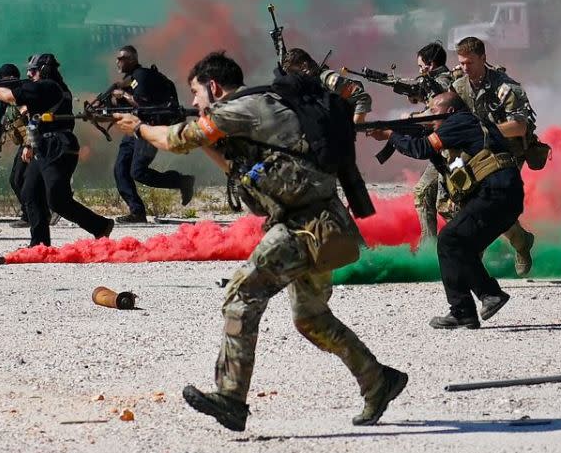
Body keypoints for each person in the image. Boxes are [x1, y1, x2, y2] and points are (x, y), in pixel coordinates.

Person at [113, 51, 407, 431]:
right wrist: (200, 137)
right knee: (311, 318)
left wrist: (138, 127)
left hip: (305, 226)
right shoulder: (260, 106)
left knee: (240, 296)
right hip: (322, 223)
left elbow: (174, 139)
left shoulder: (241, 108)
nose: (196, 103)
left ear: (214, 86)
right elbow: (236, 167)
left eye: (196, 93)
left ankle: (231, 397)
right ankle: (378, 380)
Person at [369, 92, 521, 328]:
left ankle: (480, 300)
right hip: (506, 196)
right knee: (457, 245)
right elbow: (438, 155)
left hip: (495, 194)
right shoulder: (473, 123)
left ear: (448, 111)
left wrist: (391, 135)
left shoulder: (459, 122)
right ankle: (471, 307)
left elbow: (421, 149)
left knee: (450, 240)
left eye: (432, 111)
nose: (429, 116)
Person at [0, 54, 113, 247]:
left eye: (34, 70)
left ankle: (100, 226)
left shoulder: (49, 86)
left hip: (58, 145)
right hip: (44, 146)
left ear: (45, 70)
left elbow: (10, 96)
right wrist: (29, 144)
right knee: (29, 191)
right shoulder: (47, 88)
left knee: (57, 200)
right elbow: (33, 118)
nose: (29, 73)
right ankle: (39, 243)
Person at [451, 37, 537, 276]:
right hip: (474, 152)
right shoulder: (459, 88)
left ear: (483, 59)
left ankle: (520, 243)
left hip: (506, 152)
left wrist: (484, 130)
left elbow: (519, 126)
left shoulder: (506, 88)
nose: (464, 68)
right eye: (461, 63)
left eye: (469, 62)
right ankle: (475, 257)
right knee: (465, 203)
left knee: (493, 206)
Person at [111, 45, 195, 223]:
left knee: (138, 172)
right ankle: (137, 212)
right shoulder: (130, 79)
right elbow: (127, 108)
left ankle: (181, 181)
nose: (118, 61)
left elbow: (142, 103)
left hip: (150, 128)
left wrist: (124, 95)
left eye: (122, 58)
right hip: (135, 130)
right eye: (118, 58)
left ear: (132, 59)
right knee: (120, 170)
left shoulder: (141, 75)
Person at [409, 42, 456, 241]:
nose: (420, 70)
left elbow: (438, 112)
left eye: (421, 67)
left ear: (430, 64)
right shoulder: (435, 82)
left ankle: (474, 247)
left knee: (449, 206)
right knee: (422, 193)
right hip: (441, 148)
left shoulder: (443, 82)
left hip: (453, 151)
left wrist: (414, 117)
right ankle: (429, 249)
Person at [283, 48, 373, 124]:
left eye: (294, 73)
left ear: (304, 67)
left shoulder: (327, 79)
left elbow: (362, 98)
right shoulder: (310, 89)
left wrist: (356, 125)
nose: (293, 79)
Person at [0, 63, 31, 228]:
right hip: (26, 143)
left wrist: (29, 144)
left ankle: (32, 214)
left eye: (1, 78)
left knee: (19, 179)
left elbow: (30, 121)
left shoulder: (21, 95)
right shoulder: (6, 101)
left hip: (32, 143)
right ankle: (32, 212)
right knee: (18, 179)